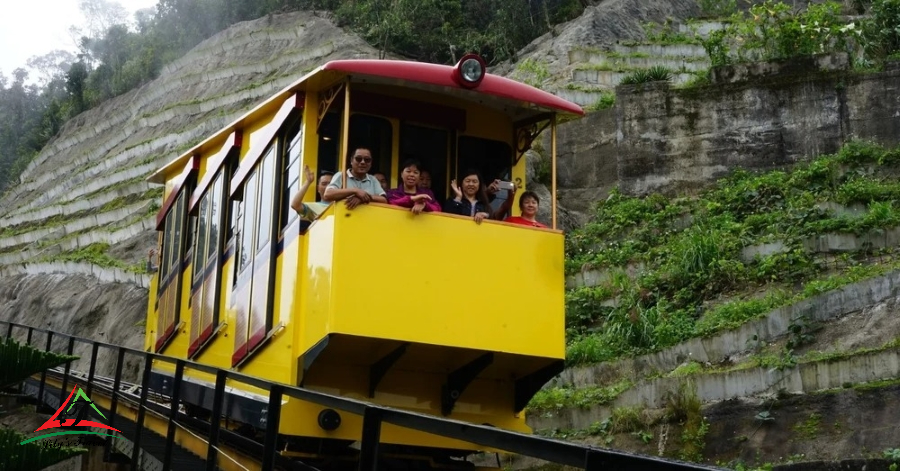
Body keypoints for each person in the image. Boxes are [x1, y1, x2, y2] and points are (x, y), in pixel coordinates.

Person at [443, 169, 508, 224]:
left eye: (474, 181)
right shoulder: (453, 200)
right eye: (467, 181)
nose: (471, 184)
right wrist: (458, 198)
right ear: (461, 183)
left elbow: (493, 220)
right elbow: (446, 218)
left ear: (479, 185)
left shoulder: (483, 203)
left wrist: (486, 215)